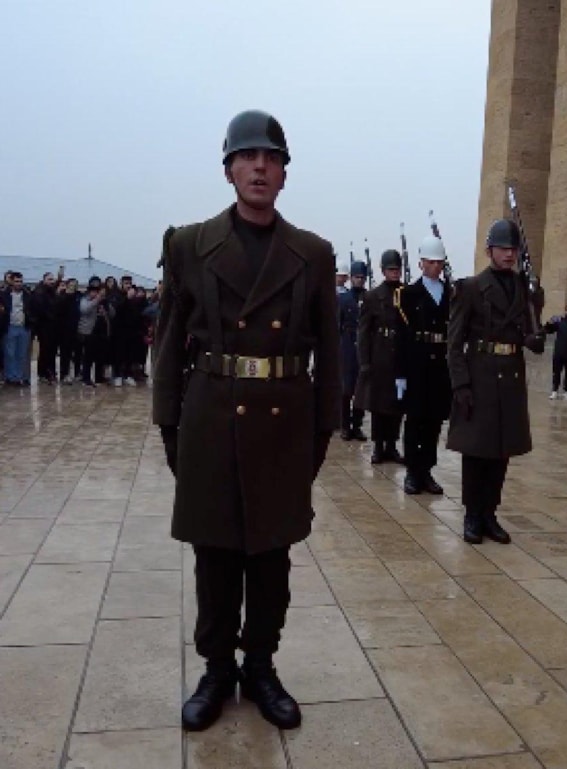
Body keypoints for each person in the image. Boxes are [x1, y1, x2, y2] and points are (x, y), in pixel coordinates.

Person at [153, 109, 340, 734]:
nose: (260, 166)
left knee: (270, 557)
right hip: (209, 416)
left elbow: (331, 353)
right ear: (229, 168)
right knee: (214, 555)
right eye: (248, 157)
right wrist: (169, 425)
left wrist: (322, 431)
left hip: (284, 423)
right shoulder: (188, 245)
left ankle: (259, 664)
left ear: (285, 173)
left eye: (272, 158)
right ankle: (215, 669)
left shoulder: (312, 253)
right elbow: (170, 344)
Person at [447, 218, 545, 545]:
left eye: (513, 249)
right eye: (503, 248)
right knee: (477, 452)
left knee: (501, 452)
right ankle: (472, 515)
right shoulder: (471, 288)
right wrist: (460, 384)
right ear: (490, 250)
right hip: (480, 376)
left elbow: (531, 331)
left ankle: (490, 514)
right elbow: (454, 342)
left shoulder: (525, 287)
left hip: (510, 378)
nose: (509, 254)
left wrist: (535, 335)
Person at [395, 235, 452, 495]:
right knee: (415, 420)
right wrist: (400, 374)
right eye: (430, 262)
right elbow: (401, 337)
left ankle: (427, 470)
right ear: (421, 264)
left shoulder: (450, 293)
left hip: (440, 363)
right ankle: (412, 472)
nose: (435, 267)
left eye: (439, 262)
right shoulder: (407, 294)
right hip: (416, 362)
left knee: (434, 421)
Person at [354, 249, 405, 464]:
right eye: (391, 269)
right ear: (384, 271)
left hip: (400, 356)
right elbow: (364, 332)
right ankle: (378, 446)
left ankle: (392, 445)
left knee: (397, 405)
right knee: (378, 406)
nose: (394, 273)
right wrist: (364, 361)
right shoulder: (373, 296)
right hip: (380, 355)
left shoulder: (406, 293)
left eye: (397, 269)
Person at [338, 260, 368, 440]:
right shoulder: (343, 299)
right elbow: (337, 324)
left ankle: (357, 425)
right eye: (357, 277)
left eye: (362, 277)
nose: (359, 280)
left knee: (361, 389)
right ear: (351, 278)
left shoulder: (369, 297)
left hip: (364, 346)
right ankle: (344, 425)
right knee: (346, 389)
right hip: (347, 345)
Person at [0, 272, 34, 386]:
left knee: (22, 353)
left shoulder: (28, 295)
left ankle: (20, 377)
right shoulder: (4, 295)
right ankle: (10, 377)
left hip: (23, 327)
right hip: (10, 326)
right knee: (10, 353)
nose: (18, 284)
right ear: (11, 282)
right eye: (16, 281)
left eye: (20, 281)